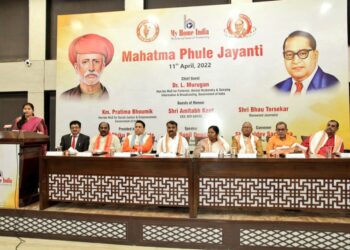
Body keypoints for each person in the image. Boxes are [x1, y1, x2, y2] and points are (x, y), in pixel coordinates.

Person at [274, 30, 339, 94]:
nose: (296, 61)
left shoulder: (332, 86)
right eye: (289, 54)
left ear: (315, 55)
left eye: (303, 53)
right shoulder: (277, 89)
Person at [61, 33, 114, 100]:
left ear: (103, 66)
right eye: (85, 62)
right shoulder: (65, 97)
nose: (91, 68)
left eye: (96, 61)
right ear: (76, 67)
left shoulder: (114, 97)